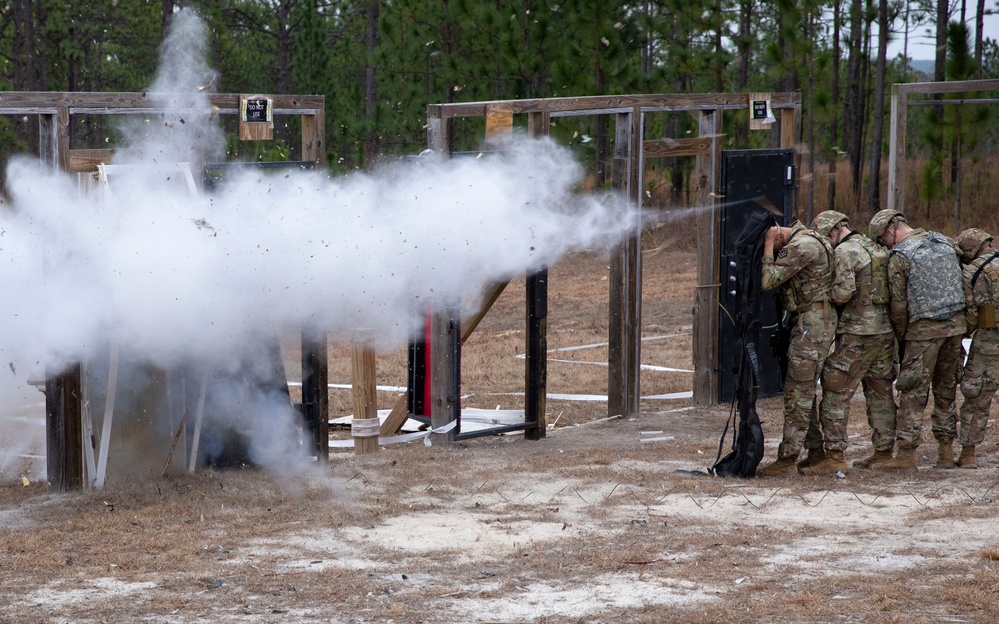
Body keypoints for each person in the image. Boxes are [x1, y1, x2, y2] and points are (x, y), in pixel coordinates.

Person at [868, 209, 966, 470]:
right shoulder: (945, 243)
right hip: (955, 328)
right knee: (946, 391)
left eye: (883, 241)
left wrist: (902, 335)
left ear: (889, 231)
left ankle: (906, 454)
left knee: (913, 392)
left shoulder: (901, 256)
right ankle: (946, 452)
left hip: (923, 332)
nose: (884, 246)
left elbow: (899, 306)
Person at [801, 211, 896, 474]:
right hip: (884, 331)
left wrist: (824, 296)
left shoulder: (844, 252)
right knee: (880, 393)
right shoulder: (875, 247)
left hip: (857, 332)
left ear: (831, 233)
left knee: (835, 390)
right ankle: (884, 452)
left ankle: (834, 457)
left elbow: (843, 293)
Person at [757, 219, 837, 476]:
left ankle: (787, 459)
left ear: (780, 235)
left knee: (797, 392)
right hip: (812, 320)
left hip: (811, 324)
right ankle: (815, 452)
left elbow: (768, 280)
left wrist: (769, 246)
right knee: (803, 390)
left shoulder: (801, 246)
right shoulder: (812, 239)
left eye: (774, 243)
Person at [955, 228, 999, 469]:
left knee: (977, 396)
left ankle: (968, 453)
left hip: (989, 339)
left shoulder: (972, 272)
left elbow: (971, 314)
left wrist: (963, 334)